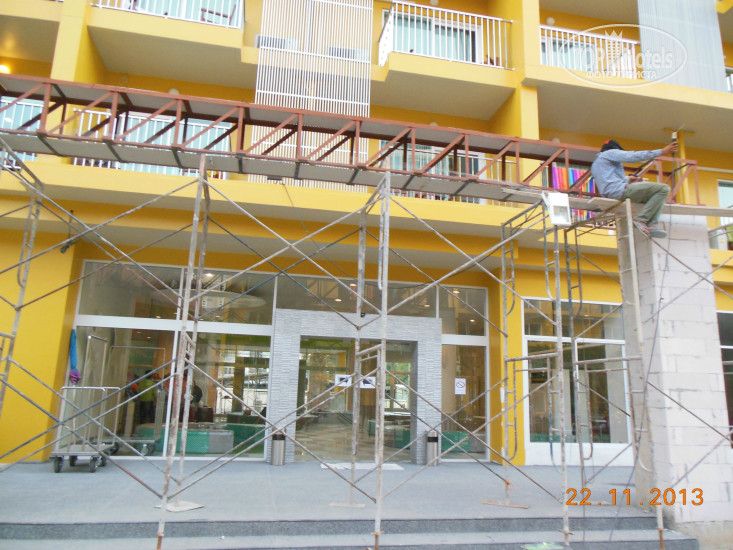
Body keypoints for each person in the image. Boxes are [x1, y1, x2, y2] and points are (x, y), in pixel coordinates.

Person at [591, 139, 678, 238]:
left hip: (613, 194)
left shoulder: (596, 164)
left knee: (654, 197)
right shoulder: (610, 153)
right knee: (663, 189)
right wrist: (662, 151)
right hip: (621, 191)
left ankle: (650, 225)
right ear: (616, 149)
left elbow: (608, 180)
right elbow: (633, 156)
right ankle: (642, 220)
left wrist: (628, 180)